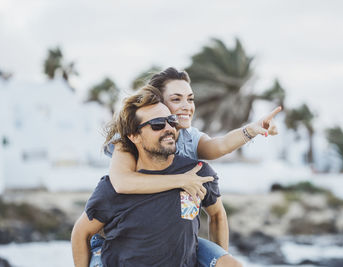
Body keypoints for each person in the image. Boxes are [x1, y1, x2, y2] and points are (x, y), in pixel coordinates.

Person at [97, 67, 281, 266]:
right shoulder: (130, 141)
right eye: (176, 99)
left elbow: (220, 146)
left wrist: (252, 130)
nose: (186, 106)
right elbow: (122, 182)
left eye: (190, 99)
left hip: (179, 242)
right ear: (157, 102)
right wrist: (182, 180)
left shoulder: (189, 137)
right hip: (125, 241)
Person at [71, 86, 243, 267]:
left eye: (171, 121)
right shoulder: (113, 187)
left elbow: (217, 215)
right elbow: (81, 234)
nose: (169, 128)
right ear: (134, 136)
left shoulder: (198, 172)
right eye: (158, 125)